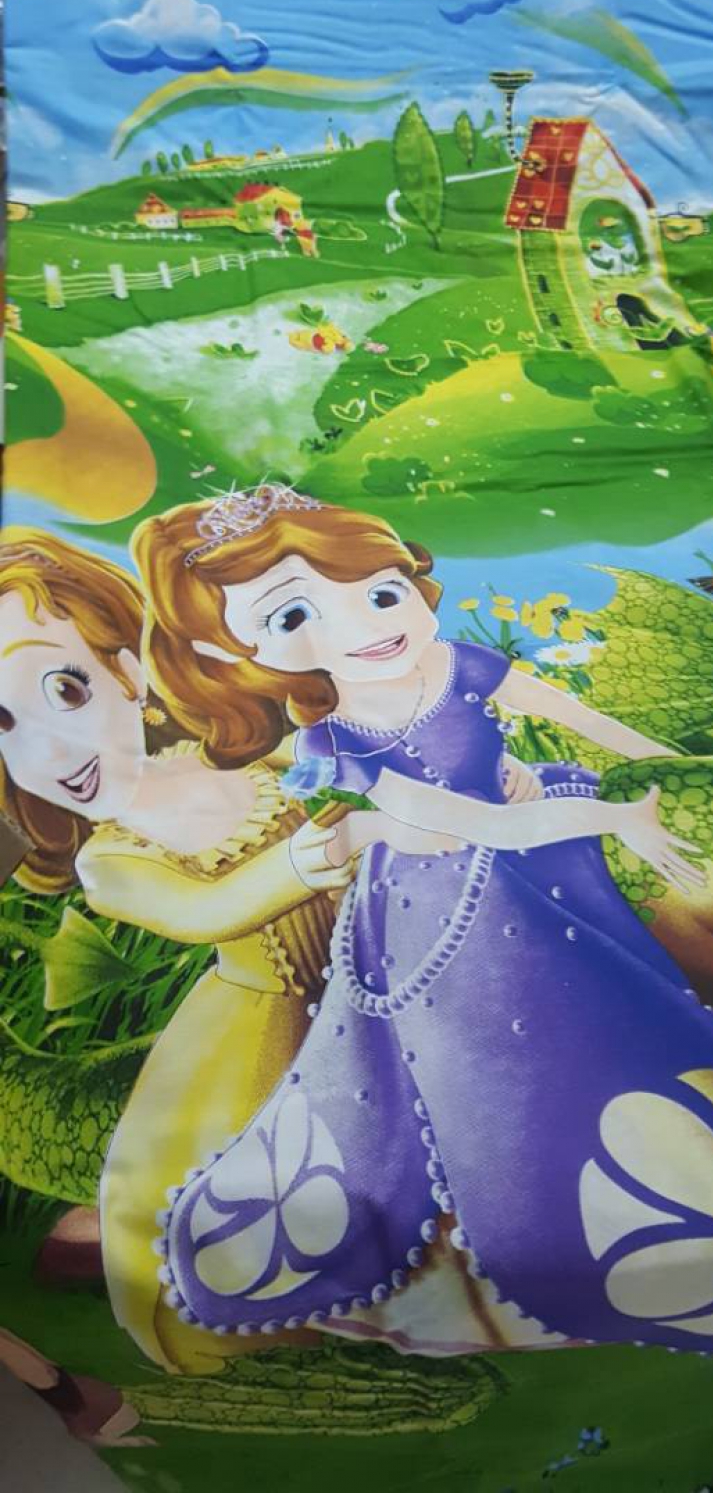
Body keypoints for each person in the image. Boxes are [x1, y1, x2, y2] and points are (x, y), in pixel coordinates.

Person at [133, 486, 713, 1370]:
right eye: (294, 617)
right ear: (227, 652)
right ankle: (633, 1230)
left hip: (548, 843)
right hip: (443, 905)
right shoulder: (336, 747)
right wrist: (618, 819)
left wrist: (673, 777)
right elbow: (476, 825)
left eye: (381, 592)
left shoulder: (453, 665)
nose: (366, 628)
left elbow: (575, 716)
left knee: (642, 965)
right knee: (521, 1053)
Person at [0, 529, 464, 1371]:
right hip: (264, 1039)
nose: (53, 750)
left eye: (65, 689)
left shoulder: (242, 761)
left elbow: (347, 768)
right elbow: (208, 910)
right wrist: (319, 856)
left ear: (129, 673)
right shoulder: (111, 861)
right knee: (272, 1208)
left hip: (372, 991)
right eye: (4, 723)